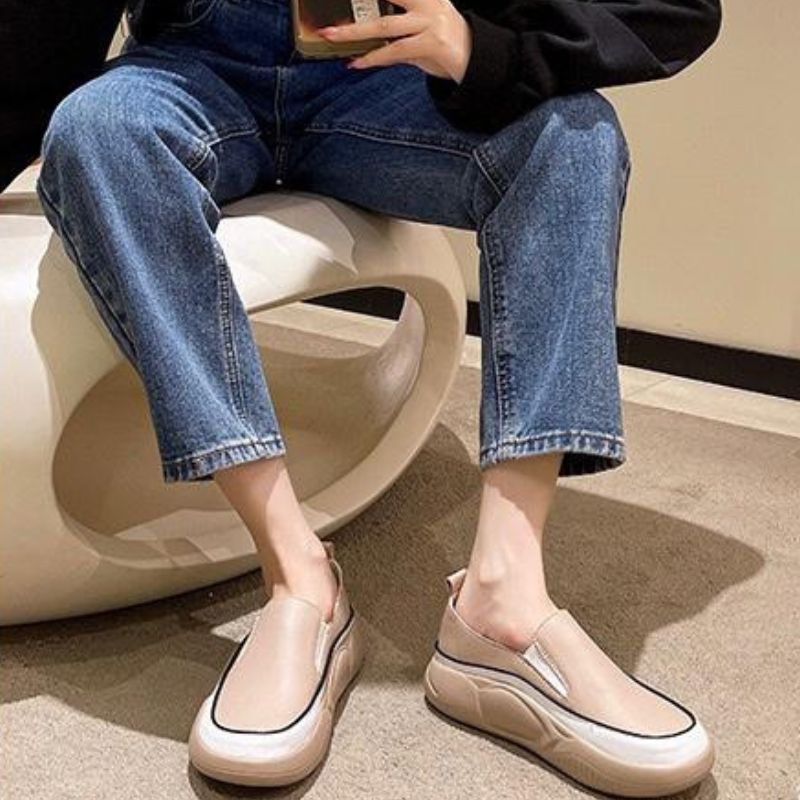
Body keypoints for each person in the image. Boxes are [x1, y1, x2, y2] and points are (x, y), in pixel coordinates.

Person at [34, 0, 722, 794]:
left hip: (385, 79)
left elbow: (678, 11)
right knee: (97, 132)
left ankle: (503, 599)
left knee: (573, 137)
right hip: (190, 69)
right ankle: (299, 576)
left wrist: (486, 49)